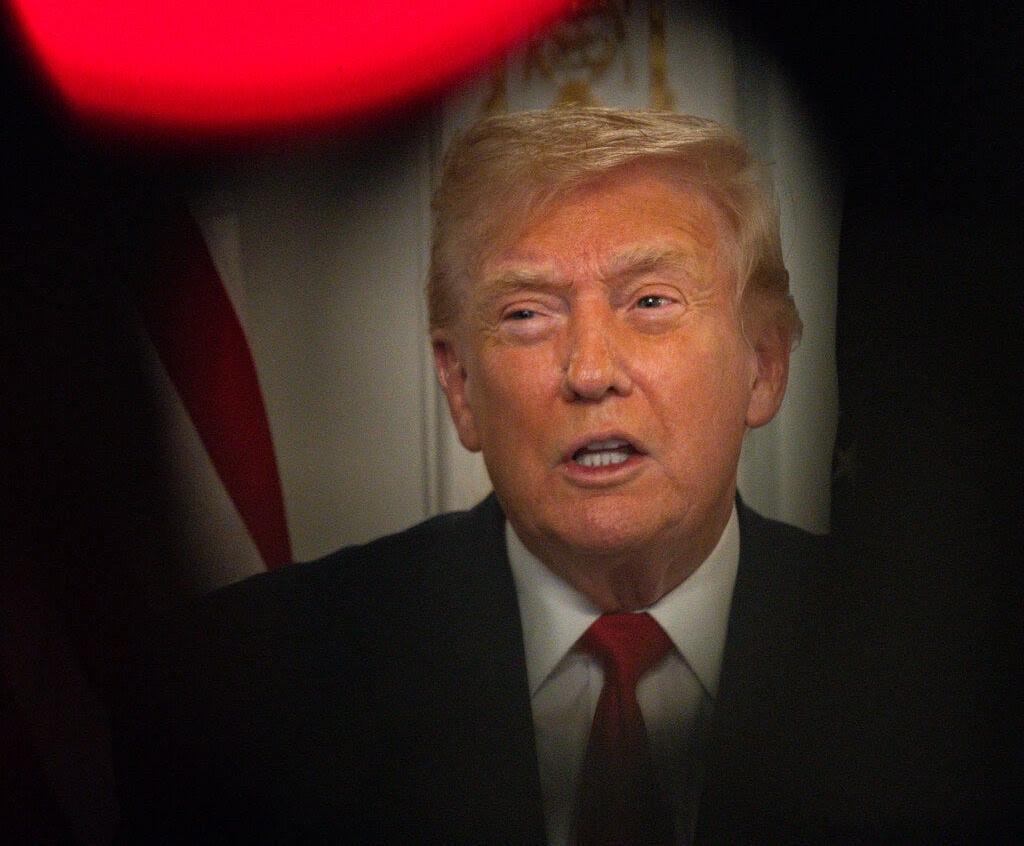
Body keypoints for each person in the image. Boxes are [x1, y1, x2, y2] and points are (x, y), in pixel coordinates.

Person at [114, 107, 836, 844]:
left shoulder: (918, 663)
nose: (589, 372)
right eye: (526, 314)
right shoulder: (248, 682)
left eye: (650, 301)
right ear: (460, 385)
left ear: (763, 364)